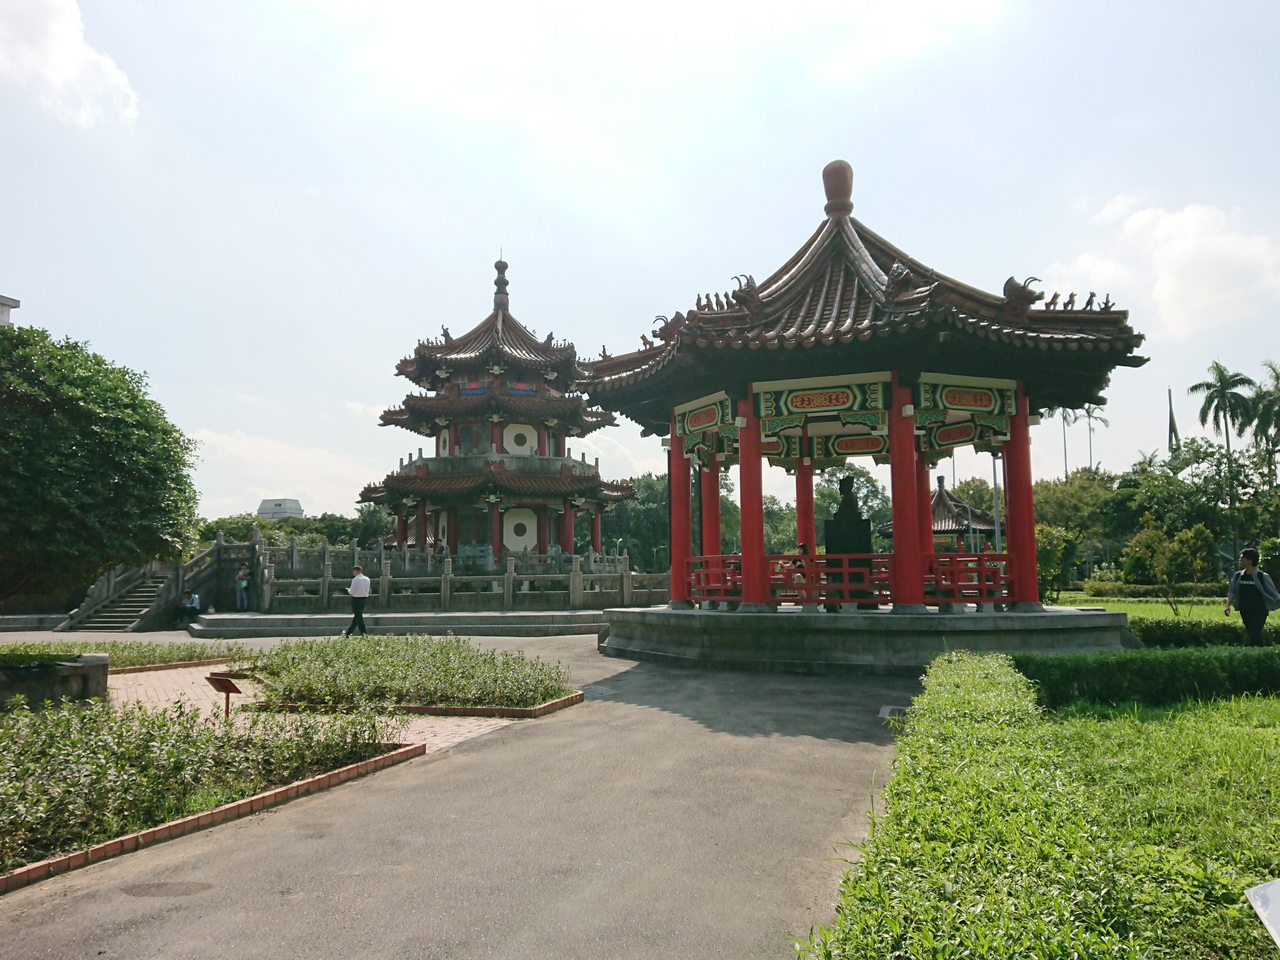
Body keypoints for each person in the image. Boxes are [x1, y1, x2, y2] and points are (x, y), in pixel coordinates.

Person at [1225, 547, 1280, 646]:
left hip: (1260, 610)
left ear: (1250, 560)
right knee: (1250, 631)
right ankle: (1258, 650)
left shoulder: (1262, 576)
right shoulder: (1238, 576)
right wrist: (1228, 605)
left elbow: (1273, 593)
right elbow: (1232, 592)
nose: (1240, 560)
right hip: (1244, 609)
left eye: (1242, 558)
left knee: (1255, 632)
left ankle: (1259, 651)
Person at [343, 565, 371, 637]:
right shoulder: (367, 579)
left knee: (358, 617)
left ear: (355, 571)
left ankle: (364, 633)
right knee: (357, 616)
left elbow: (351, 591)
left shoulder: (355, 580)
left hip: (356, 599)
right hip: (364, 599)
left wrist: (348, 590)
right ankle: (348, 633)